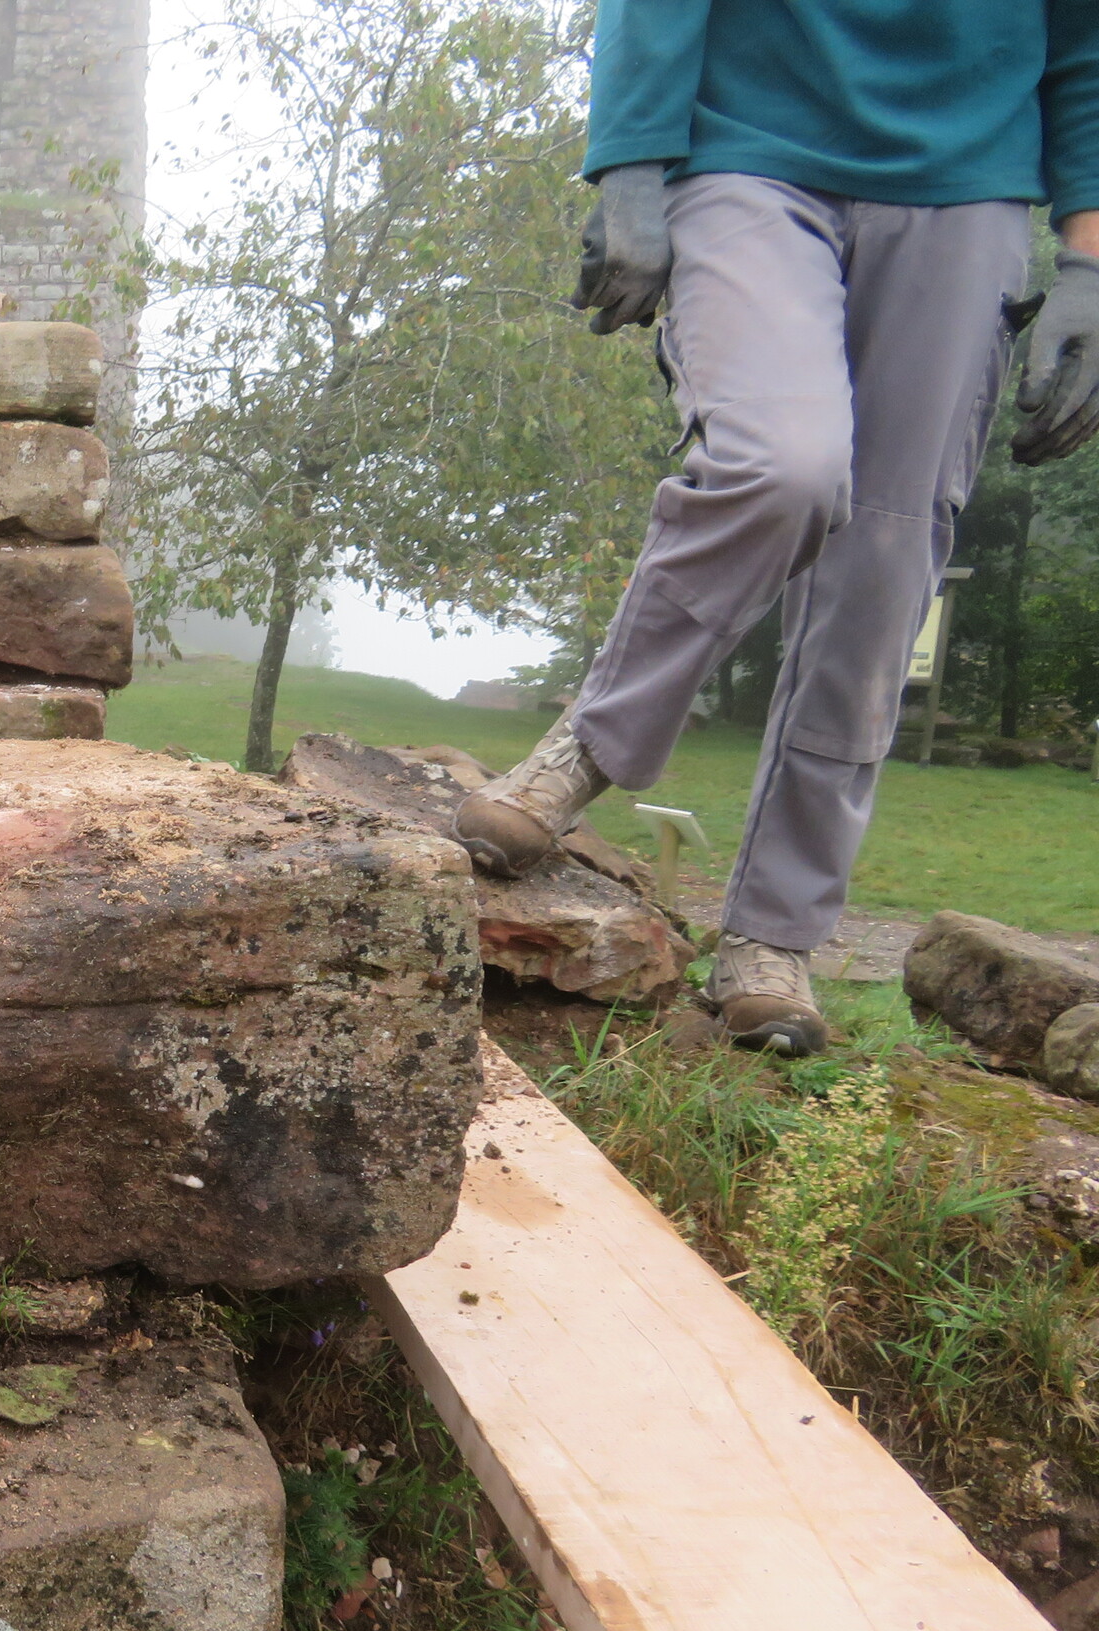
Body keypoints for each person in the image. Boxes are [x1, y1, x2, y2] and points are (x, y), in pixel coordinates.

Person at [456, 1, 1099, 1053]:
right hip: (749, 152)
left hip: (968, 189)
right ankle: (590, 743)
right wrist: (631, 167)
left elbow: (1085, 47)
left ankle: (773, 937)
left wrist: (1089, 265)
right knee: (780, 467)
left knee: (886, 560)